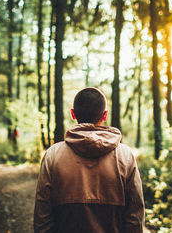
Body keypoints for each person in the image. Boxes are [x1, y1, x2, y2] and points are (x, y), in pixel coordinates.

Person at [34, 87, 145, 233]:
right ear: (104, 116)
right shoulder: (126, 156)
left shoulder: (52, 155)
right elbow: (134, 217)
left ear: (73, 114)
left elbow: (43, 217)